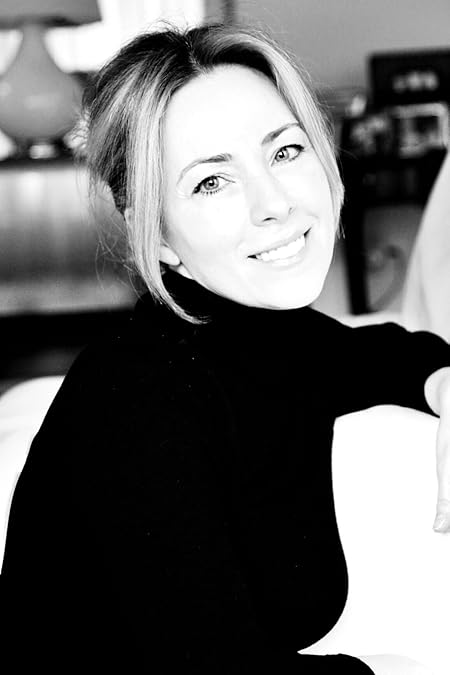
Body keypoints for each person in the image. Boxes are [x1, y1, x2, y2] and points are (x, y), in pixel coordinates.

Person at [1, 22, 449, 675]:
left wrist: (443, 379)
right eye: (211, 182)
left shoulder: (265, 335)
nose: (275, 203)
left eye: (285, 151)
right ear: (157, 236)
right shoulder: (137, 400)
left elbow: (377, 352)